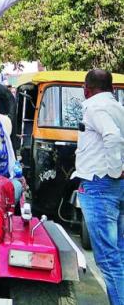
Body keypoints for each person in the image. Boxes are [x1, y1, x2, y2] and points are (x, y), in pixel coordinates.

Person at [71, 69, 124, 305]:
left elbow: (112, 137)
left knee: (108, 260)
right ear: (112, 88)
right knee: (119, 255)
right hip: (114, 186)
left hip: (100, 184)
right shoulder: (118, 108)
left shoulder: (93, 106)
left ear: (86, 89)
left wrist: (114, 169)